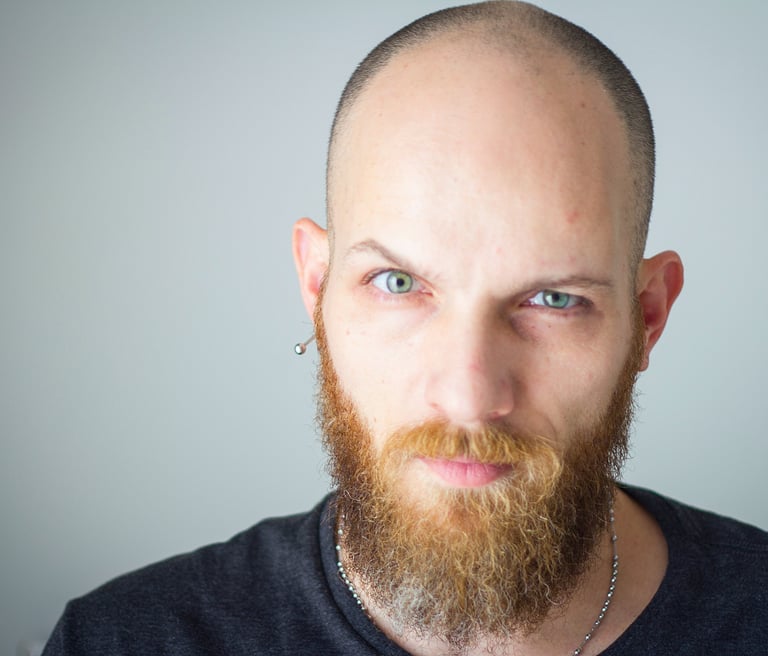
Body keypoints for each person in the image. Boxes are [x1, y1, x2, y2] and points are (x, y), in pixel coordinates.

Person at [42, 2, 768, 654]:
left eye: (552, 299)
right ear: (317, 287)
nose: (468, 396)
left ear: (647, 317)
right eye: (398, 283)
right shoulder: (121, 639)